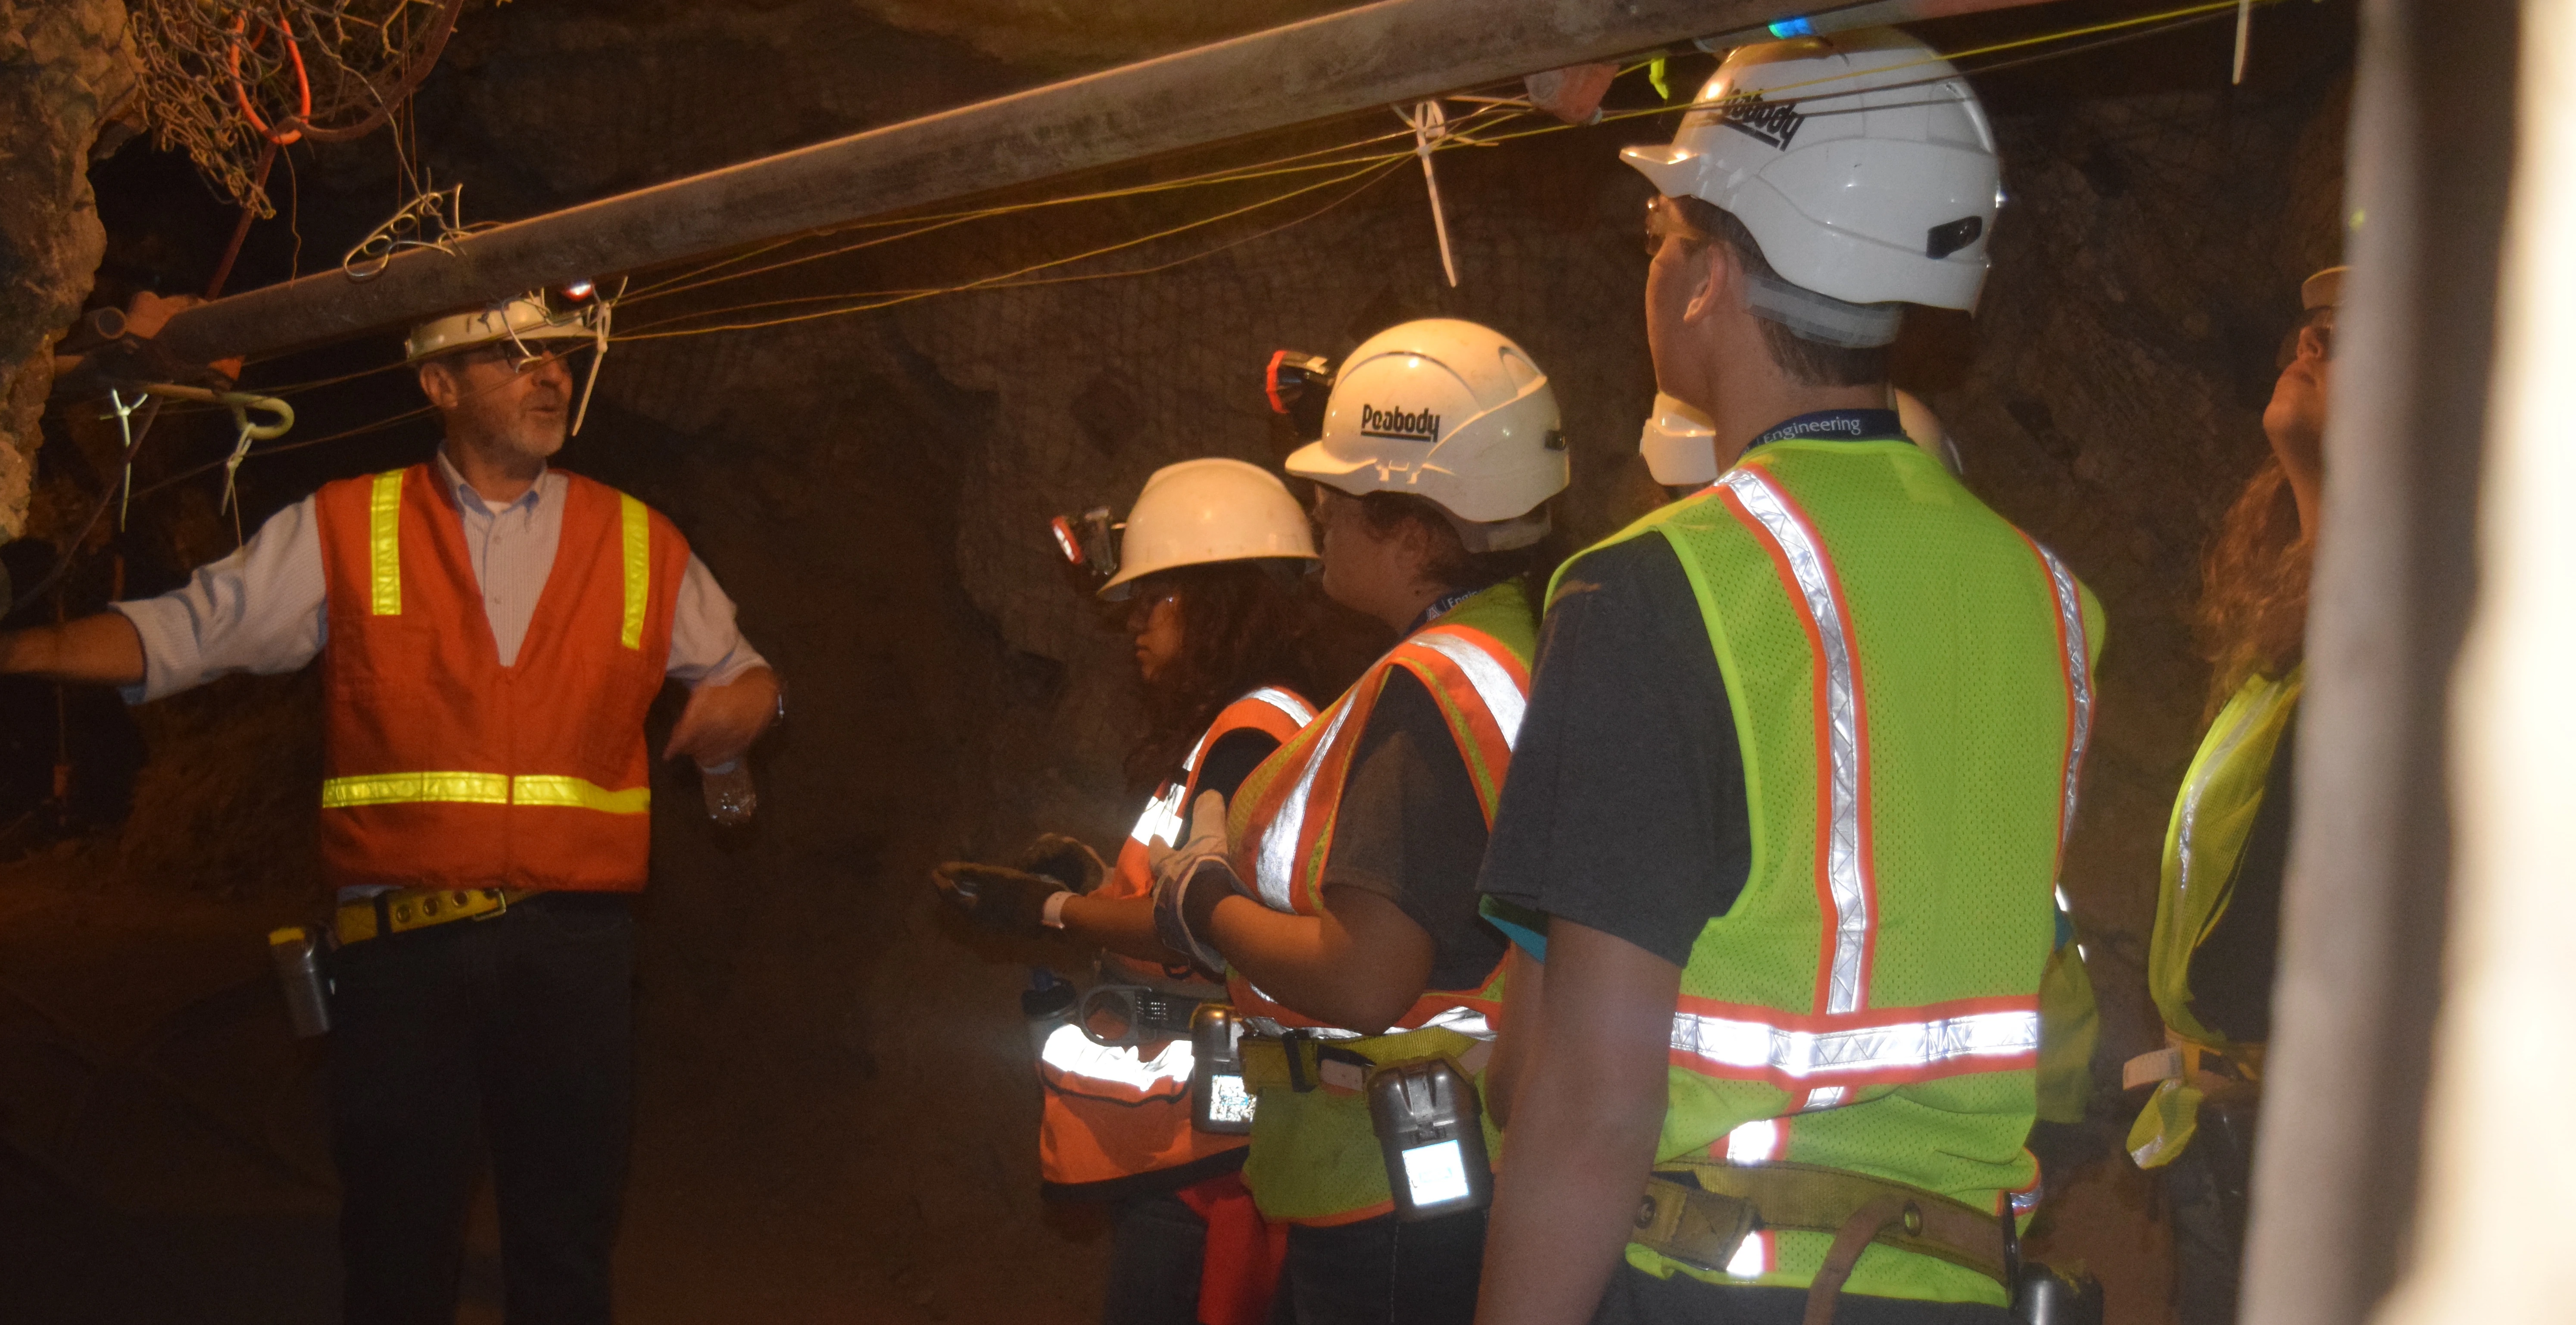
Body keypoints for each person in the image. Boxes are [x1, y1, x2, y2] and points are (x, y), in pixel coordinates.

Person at [1472, 30, 2100, 1325]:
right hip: (1957, 1288)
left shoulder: (1651, 588)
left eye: (1658, 234)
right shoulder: (2052, 598)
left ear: (1707, 273)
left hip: (1726, 1282)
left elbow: (1588, 1097)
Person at [0, 293, 780, 1325]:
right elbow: (193, 631)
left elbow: (746, 671)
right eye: (511, 356)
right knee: (397, 1246)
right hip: (402, 961)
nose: (549, 373)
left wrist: (746, 709)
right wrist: (21, 651)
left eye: (554, 355)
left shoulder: (637, 536)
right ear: (438, 384)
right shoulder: (350, 522)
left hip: (575, 956)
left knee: (566, 1241)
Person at [1146, 317, 1566, 1325]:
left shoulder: (1431, 687)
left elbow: (1365, 976)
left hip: (1389, 1182)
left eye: (1336, 500)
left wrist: (1205, 899)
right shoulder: (1533, 638)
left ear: (1416, 537)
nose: (1318, 516)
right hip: (1483, 1158)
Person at [932, 457, 1329, 1325]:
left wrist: (1045, 910)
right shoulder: (1241, 727)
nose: (1135, 625)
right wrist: (1090, 877)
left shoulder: (1248, 734)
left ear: (1218, 604)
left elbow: (1197, 924)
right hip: (1205, 1138)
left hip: (1211, 1152)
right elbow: (1188, 878)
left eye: (1157, 600)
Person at [2122, 264, 2337, 1325]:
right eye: (2315, 320)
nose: (2313, 336)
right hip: (2235, 1149)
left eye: (2359, 328)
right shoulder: (2292, 653)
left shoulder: (2410, 650)